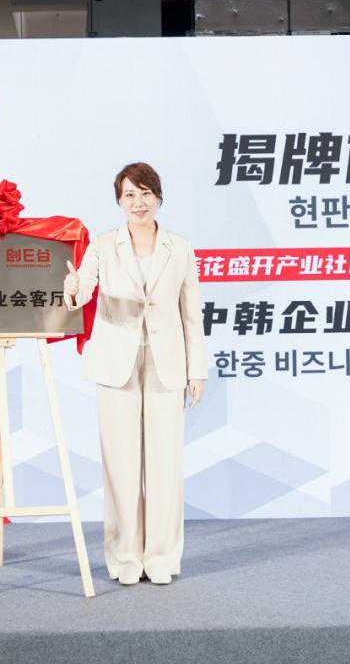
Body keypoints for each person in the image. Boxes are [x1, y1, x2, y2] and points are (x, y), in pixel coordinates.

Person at [63, 162, 208, 586]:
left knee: (165, 464)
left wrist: (196, 370)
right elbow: (83, 289)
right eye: (130, 195)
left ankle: (161, 558)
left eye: (145, 193)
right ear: (119, 201)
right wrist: (72, 290)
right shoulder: (103, 246)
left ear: (159, 198)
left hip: (167, 364)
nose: (138, 202)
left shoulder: (180, 248)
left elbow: (191, 314)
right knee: (121, 465)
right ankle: (124, 558)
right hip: (116, 364)